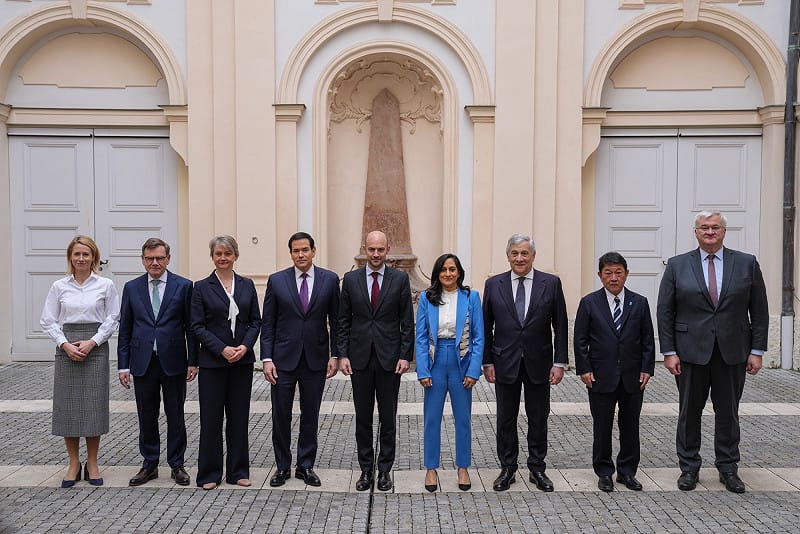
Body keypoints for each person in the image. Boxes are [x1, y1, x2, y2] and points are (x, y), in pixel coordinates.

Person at [657, 210, 768, 493]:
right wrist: (669, 351)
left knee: (728, 412)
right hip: (690, 353)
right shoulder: (677, 265)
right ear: (695, 232)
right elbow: (665, 311)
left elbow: (759, 310)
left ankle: (728, 468)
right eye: (704, 227)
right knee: (689, 412)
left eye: (715, 227)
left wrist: (756, 350)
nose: (710, 232)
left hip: (733, 352)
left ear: (724, 232)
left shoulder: (746, 263)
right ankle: (689, 468)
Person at [482, 233, 568, 492]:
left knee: (538, 417)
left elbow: (560, 325)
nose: (519, 258)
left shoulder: (550, 283)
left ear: (533, 256)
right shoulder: (493, 284)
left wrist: (560, 362)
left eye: (524, 253)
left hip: (539, 362)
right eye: (515, 253)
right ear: (508, 256)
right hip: (504, 362)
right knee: (505, 419)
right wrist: (487, 361)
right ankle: (507, 468)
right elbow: (486, 326)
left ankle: (537, 468)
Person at [261, 232, 340, 488]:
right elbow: (268, 323)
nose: (301, 255)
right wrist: (267, 358)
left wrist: (335, 354)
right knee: (280, 415)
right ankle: (282, 466)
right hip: (282, 361)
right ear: (291, 253)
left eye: (305, 250)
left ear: (313, 251)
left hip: (316, 359)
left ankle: (305, 465)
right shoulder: (277, 280)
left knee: (310, 415)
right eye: (296, 251)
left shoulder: (329, 280)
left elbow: (336, 321)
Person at [118, 238, 198, 487]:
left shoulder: (183, 286)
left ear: (168, 259)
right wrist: (123, 365)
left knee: (176, 414)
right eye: (150, 258)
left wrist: (193, 361)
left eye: (160, 258)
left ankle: (177, 464)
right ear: (143, 260)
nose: (155, 262)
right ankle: (150, 464)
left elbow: (190, 327)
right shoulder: (132, 288)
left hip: (174, 361)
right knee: (146, 415)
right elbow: (125, 329)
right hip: (142, 362)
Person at [40, 235, 120, 488]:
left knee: (94, 405)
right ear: (70, 257)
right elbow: (48, 320)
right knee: (69, 406)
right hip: (67, 347)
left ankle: (93, 462)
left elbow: (113, 318)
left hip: (95, 347)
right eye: (77, 254)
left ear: (94, 257)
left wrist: (93, 341)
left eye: (86, 254)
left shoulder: (105, 285)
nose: (82, 258)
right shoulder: (59, 286)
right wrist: (64, 344)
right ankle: (74, 463)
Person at [337, 230, 414, 492]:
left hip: (390, 360)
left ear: (387, 249)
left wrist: (405, 356)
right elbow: (343, 321)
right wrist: (343, 354)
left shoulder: (400, 279)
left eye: (380, 249)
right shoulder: (350, 280)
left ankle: (384, 470)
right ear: (365, 249)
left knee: (388, 418)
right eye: (372, 249)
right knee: (363, 417)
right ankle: (365, 469)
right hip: (359, 359)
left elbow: (407, 321)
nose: (376, 254)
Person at [573, 252, 655, 492]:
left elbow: (647, 339)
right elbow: (580, 339)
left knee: (630, 426)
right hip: (600, 376)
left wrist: (647, 368)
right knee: (602, 426)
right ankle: (604, 472)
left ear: (626, 274)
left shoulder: (639, 303)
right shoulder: (589, 303)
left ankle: (627, 472)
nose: (613, 278)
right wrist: (584, 369)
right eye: (608, 273)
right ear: (600, 275)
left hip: (632, 377)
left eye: (618, 273)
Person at [191, 235, 261, 490]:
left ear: (235, 256)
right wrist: (221, 348)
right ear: (212, 257)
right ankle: (209, 474)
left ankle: (238, 471)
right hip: (213, 362)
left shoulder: (247, 285)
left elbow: (255, 321)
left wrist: (245, 346)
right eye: (218, 254)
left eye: (227, 254)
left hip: (241, 362)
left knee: (239, 418)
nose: (223, 258)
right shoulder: (201, 287)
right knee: (211, 419)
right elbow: (197, 326)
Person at [415, 253, 484, 492]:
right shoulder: (427, 298)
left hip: (461, 361)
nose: (448, 273)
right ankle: (431, 468)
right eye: (443, 269)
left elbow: (478, 337)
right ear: (437, 273)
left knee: (463, 418)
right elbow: (421, 336)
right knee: (431, 418)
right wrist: (423, 370)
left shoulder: (471, 297)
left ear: (459, 272)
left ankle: (463, 467)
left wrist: (474, 370)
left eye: (452, 269)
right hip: (435, 361)